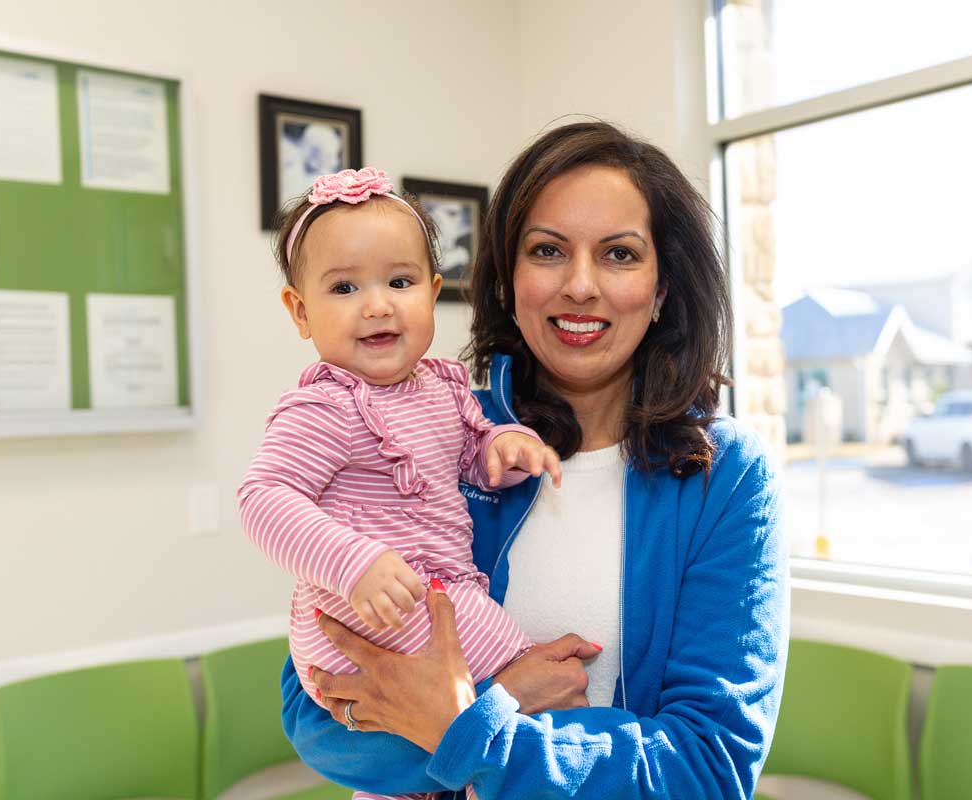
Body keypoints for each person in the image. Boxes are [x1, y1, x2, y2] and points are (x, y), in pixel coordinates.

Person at [282, 122, 789, 799]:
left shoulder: (726, 478)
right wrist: (502, 701)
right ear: (509, 279)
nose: (580, 286)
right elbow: (314, 712)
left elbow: (706, 767)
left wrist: (473, 730)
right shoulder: (433, 431)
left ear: (663, 287)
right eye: (548, 250)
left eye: (619, 254)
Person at [238, 167, 567, 800]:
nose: (378, 304)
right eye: (344, 287)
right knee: (545, 681)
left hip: (421, 597)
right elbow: (263, 500)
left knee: (432, 753)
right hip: (367, 606)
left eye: (400, 281)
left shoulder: (442, 387)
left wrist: (503, 445)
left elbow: (468, 454)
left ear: (433, 291)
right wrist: (354, 563)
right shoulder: (324, 407)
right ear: (300, 311)